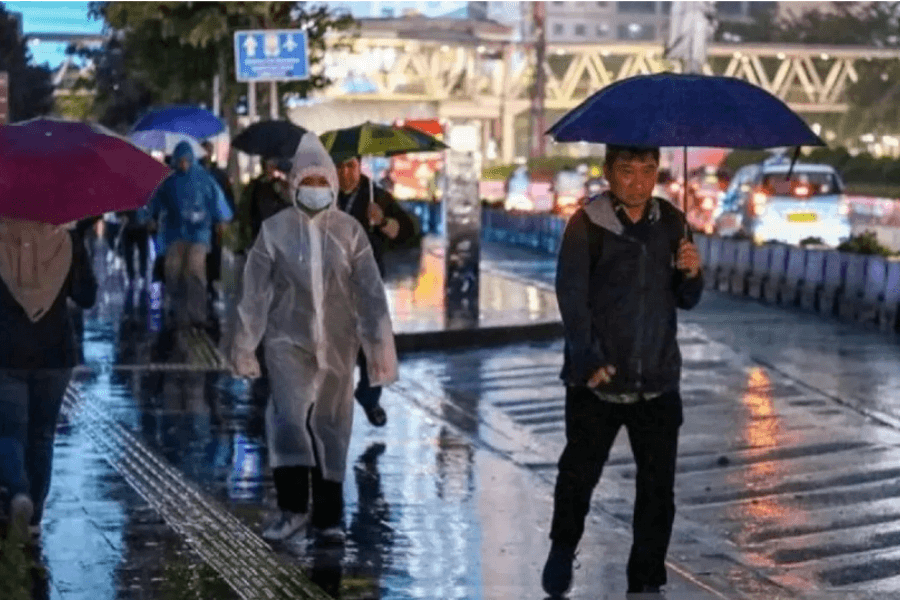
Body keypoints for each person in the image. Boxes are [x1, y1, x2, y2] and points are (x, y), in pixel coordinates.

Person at [541, 145, 703, 597]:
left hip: (657, 381)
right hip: (599, 380)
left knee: (657, 491)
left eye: (648, 171)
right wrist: (587, 360)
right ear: (609, 173)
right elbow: (571, 299)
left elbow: (687, 300)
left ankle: (645, 580)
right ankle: (562, 546)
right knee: (578, 473)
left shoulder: (673, 223)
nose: (638, 181)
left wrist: (692, 273)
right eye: (627, 171)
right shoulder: (587, 225)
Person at [230, 132, 397, 543]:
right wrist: (244, 345)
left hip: (339, 343)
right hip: (287, 342)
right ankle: (292, 509)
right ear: (294, 184)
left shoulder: (350, 231)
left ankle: (328, 518)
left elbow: (371, 293)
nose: (316, 191)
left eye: (323, 183)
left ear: (334, 186)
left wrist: (379, 348)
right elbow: (254, 291)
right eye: (308, 183)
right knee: (289, 421)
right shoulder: (274, 231)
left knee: (333, 427)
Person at [0, 219, 97, 542]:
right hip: (55, 353)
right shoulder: (66, 240)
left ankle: (17, 491)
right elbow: (86, 295)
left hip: (6, 350)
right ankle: (33, 520)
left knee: (9, 430)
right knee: (42, 436)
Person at [335, 155, 417, 427]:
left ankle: (370, 398)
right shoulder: (324, 195)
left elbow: (406, 233)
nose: (345, 172)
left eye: (350, 166)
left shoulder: (376, 197)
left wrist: (381, 221)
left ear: (359, 167)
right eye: (339, 167)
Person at [140, 141, 233, 333]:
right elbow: (155, 201)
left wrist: (222, 221)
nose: (183, 164)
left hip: (199, 235)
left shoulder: (204, 180)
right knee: (174, 272)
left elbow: (218, 202)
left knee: (195, 272)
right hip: (175, 235)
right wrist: (150, 218)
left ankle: (197, 315)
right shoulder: (170, 182)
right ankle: (178, 312)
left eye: (185, 160)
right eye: (180, 160)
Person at [236, 156, 291, 252]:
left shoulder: (284, 186)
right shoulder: (256, 186)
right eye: (271, 165)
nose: (274, 169)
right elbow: (245, 213)